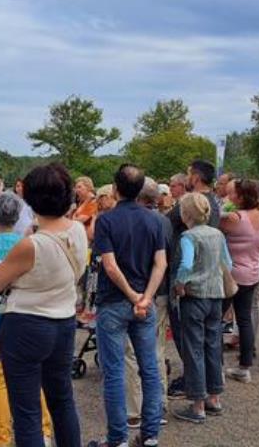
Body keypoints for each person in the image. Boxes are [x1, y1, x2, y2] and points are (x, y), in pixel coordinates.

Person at [0, 163, 86, 447]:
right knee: (62, 400)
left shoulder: (30, 245)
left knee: (27, 411)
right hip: (63, 321)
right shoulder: (78, 230)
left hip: (27, 324)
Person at [88, 164, 167, 447]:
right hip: (145, 302)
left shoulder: (106, 221)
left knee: (114, 372)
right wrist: (145, 296)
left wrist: (133, 296)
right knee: (149, 368)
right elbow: (161, 263)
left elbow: (109, 266)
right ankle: (150, 435)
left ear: (115, 188)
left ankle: (118, 438)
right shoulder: (155, 221)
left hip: (114, 302)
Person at [0, 192, 48, 447]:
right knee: (34, 375)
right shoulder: (28, 245)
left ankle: (2, 438)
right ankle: (45, 431)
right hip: (23, 311)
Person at [171, 192, 230, 424]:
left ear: (185, 214)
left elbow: (185, 264)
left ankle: (197, 404)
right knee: (213, 345)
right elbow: (228, 263)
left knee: (193, 348)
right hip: (216, 295)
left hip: (194, 296)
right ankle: (214, 397)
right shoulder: (218, 234)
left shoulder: (188, 236)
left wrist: (180, 282)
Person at [165, 161, 220, 400]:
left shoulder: (191, 203)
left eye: (188, 174)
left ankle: (194, 384)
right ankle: (210, 387)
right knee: (209, 339)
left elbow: (166, 222)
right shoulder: (215, 203)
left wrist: (178, 283)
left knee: (187, 335)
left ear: (195, 177)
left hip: (188, 280)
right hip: (211, 281)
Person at [125, 178, 172, 430]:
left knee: (132, 351)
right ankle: (158, 404)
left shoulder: (130, 219)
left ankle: (134, 409)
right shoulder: (165, 221)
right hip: (160, 291)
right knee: (156, 349)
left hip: (137, 291)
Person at [220, 179, 259, 383]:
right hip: (252, 272)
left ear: (241, 197)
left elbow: (213, 220)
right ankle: (244, 366)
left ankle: (216, 367)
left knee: (216, 318)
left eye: (233, 194)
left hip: (234, 273)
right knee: (245, 318)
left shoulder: (235, 218)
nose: (230, 197)